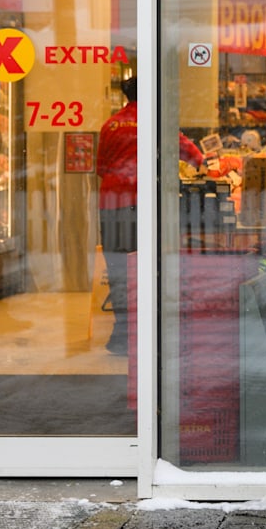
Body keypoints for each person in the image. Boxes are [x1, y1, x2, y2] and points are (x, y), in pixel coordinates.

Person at [96, 78, 203, 354]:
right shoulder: (157, 122)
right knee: (148, 269)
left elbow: (101, 167)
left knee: (118, 269)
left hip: (111, 204)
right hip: (142, 204)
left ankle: (122, 336)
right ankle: (148, 334)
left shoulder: (110, 125)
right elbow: (194, 157)